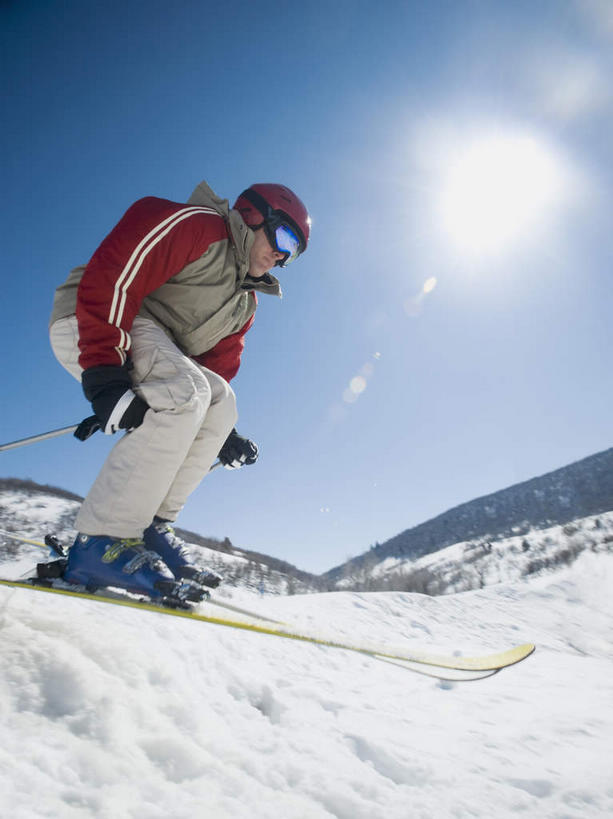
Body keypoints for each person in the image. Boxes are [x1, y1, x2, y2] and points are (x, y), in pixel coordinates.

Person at [48, 180, 311, 603]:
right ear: (253, 215)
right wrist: (105, 371)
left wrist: (219, 435)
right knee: (185, 392)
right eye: (284, 238)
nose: (283, 255)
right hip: (95, 319)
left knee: (222, 404)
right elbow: (117, 274)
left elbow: (214, 371)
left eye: (293, 252)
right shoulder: (201, 228)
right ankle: (101, 539)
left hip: (151, 346)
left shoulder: (245, 303)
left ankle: (147, 525)